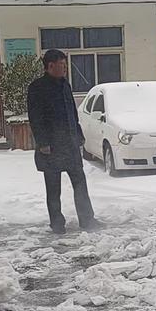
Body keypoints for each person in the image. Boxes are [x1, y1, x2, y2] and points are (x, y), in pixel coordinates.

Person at [27, 49, 100, 235]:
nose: (65, 68)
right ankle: (57, 223)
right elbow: (35, 117)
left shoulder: (65, 85)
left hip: (70, 144)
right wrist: (42, 142)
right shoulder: (37, 87)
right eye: (62, 65)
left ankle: (87, 219)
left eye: (66, 65)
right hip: (50, 147)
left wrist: (79, 133)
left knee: (80, 182)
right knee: (53, 188)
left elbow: (72, 113)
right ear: (50, 66)